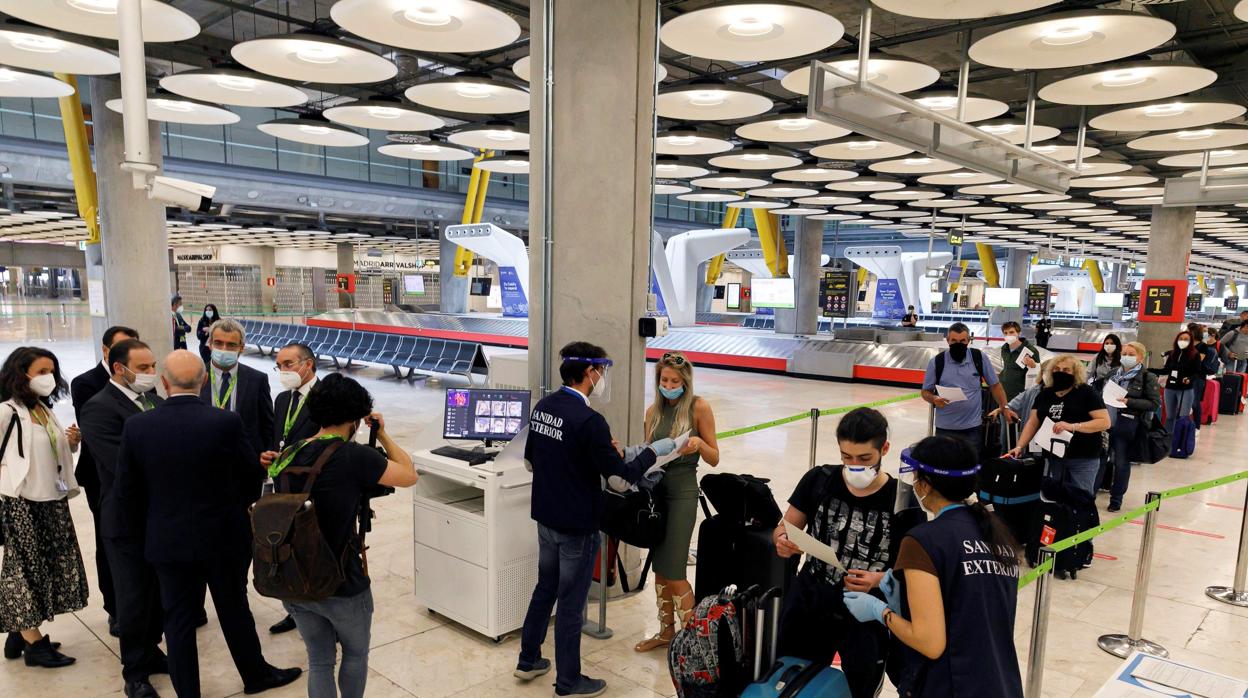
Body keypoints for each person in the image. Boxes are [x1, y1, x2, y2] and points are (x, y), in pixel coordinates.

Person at [111, 351, 299, 698]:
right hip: (223, 535)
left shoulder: (137, 426)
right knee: (234, 608)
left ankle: (189, 693)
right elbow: (248, 474)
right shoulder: (223, 422)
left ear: (164, 384)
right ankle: (255, 675)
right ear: (203, 382)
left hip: (167, 538)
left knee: (178, 620)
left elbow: (127, 490)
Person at [514, 342, 676, 698]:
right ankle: (568, 681)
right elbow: (620, 480)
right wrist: (652, 452)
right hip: (577, 526)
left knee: (545, 588)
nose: (603, 378)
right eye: (601, 371)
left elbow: (532, 460)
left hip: (546, 518)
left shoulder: (544, 407)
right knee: (571, 604)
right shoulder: (589, 421)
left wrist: (591, 455)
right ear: (590, 373)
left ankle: (528, 660)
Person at [262, 374, 417, 698]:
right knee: (356, 654)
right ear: (356, 418)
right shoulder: (353, 456)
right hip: (342, 581)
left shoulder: (290, 452)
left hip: (296, 579)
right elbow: (408, 474)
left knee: (319, 661)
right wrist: (383, 434)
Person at [843, 436, 1023, 698]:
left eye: (916, 477)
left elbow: (930, 643)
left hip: (951, 685)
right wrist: (902, 600)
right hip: (999, 681)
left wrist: (880, 611)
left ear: (925, 485)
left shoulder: (923, 540)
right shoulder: (997, 534)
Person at [773, 408, 899, 697]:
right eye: (847, 457)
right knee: (794, 679)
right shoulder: (819, 479)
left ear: (884, 449)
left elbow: (911, 571)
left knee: (860, 687)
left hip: (866, 612)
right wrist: (782, 540)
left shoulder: (901, 499)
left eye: (865, 459)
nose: (854, 466)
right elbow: (784, 527)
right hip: (811, 599)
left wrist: (878, 580)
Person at [78, 339, 167, 698]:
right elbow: (121, 466)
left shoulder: (154, 401)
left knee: (158, 593)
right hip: (126, 519)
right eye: (143, 368)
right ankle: (135, 671)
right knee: (132, 597)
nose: (150, 374)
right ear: (120, 369)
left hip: (160, 516)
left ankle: (152, 650)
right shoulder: (99, 408)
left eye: (152, 366)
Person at [0, 347, 87, 668]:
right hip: (21, 503)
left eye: (51, 370)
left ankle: (20, 630)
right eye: (40, 371)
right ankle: (34, 645)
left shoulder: (43, 409)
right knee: (23, 569)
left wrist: (72, 443)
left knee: (46, 565)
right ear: (20, 374)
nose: (48, 377)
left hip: (51, 499)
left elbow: (51, 452)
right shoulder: (6, 412)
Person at [634, 352, 719, 653]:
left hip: (683, 493)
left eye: (674, 381)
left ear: (686, 382)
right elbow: (646, 455)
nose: (668, 385)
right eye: (664, 380)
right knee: (659, 568)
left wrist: (698, 444)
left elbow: (714, 457)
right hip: (657, 494)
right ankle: (666, 632)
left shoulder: (699, 407)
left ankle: (698, 641)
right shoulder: (652, 412)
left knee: (675, 570)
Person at [69, 324, 140, 638]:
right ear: (106, 350)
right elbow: (97, 429)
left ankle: (141, 604)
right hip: (102, 473)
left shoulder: (140, 380)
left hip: (139, 472)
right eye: (121, 347)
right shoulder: (87, 384)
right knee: (107, 540)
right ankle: (115, 608)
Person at [262, 341, 321, 637]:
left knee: (313, 552)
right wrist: (270, 455)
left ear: (307, 364)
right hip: (283, 486)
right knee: (286, 550)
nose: (283, 371)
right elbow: (279, 439)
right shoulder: (283, 400)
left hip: (314, 487)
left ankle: (322, 614)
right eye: (279, 365)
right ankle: (295, 611)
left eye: (288, 364)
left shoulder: (326, 398)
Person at [1007, 354, 1110, 497]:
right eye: (1056, 369)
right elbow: (1033, 422)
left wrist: (1073, 426)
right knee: (1055, 497)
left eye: (1066, 370)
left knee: (1081, 497)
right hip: (1054, 456)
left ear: (1075, 373)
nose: (1060, 372)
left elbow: (1104, 422)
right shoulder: (1045, 393)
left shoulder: (1087, 393)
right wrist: (1019, 446)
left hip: (1083, 456)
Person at [199, 318, 274, 503]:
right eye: (218, 343)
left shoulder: (257, 380)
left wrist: (265, 458)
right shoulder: (196, 377)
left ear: (241, 347)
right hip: (204, 465)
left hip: (246, 468)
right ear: (210, 344)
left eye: (231, 345)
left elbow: (267, 424)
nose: (224, 349)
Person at [921, 322, 1016, 460]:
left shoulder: (979, 358)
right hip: (945, 428)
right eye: (954, 340)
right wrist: (934, 399)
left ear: (968, 341)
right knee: (945, 466)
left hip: (972, 428)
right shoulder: (937, 362)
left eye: (962, 341)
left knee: (970, 467)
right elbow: (925, 392)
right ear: (947, 340)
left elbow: (995, 385)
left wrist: (1005, 407)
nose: (958, 344)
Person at [1098, 342, 1160, 513]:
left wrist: (1129, 402)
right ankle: (1093, 490)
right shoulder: (1113, 374)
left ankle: (1116, 498)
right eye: (1124, 353)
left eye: (1131, 354)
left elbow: (1154, 403)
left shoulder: (1147, 377)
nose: (1126, 356)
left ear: (1141, 357)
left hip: (1127, 425)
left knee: (1121, 462)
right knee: (1100, 459)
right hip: (1105, 423)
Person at [1160, 329, 1203, 437]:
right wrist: (1149, 370)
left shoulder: (1195, 354)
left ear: (1191, 341)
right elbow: (1166, 370)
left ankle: (1181, 439)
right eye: (1181, 339)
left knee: (1183, 416)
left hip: (1185, 389)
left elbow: (1197, 372)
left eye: (1186, 339)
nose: (1183, 341)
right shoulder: (1172, 353)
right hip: (1170, 388)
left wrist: (1189, 379)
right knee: (1170, 416)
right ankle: (1167, 439)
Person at [997, 321, 1038, 401]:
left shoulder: (1030, 350)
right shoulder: (1004, 349)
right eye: (1005, 333)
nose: (1008, 335)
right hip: (1004, 390)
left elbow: (1038, 372)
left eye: (1011, 332)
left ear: (1018, 333)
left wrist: (1034, 366)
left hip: (1019, 392)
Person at [1189, 323, 1219, 432]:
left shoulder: (1203, 346)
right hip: (1188, 375)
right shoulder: (1188, 345)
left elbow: (1198, 361)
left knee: (1195, 402)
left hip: (1198, 377)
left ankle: (1197, 427)